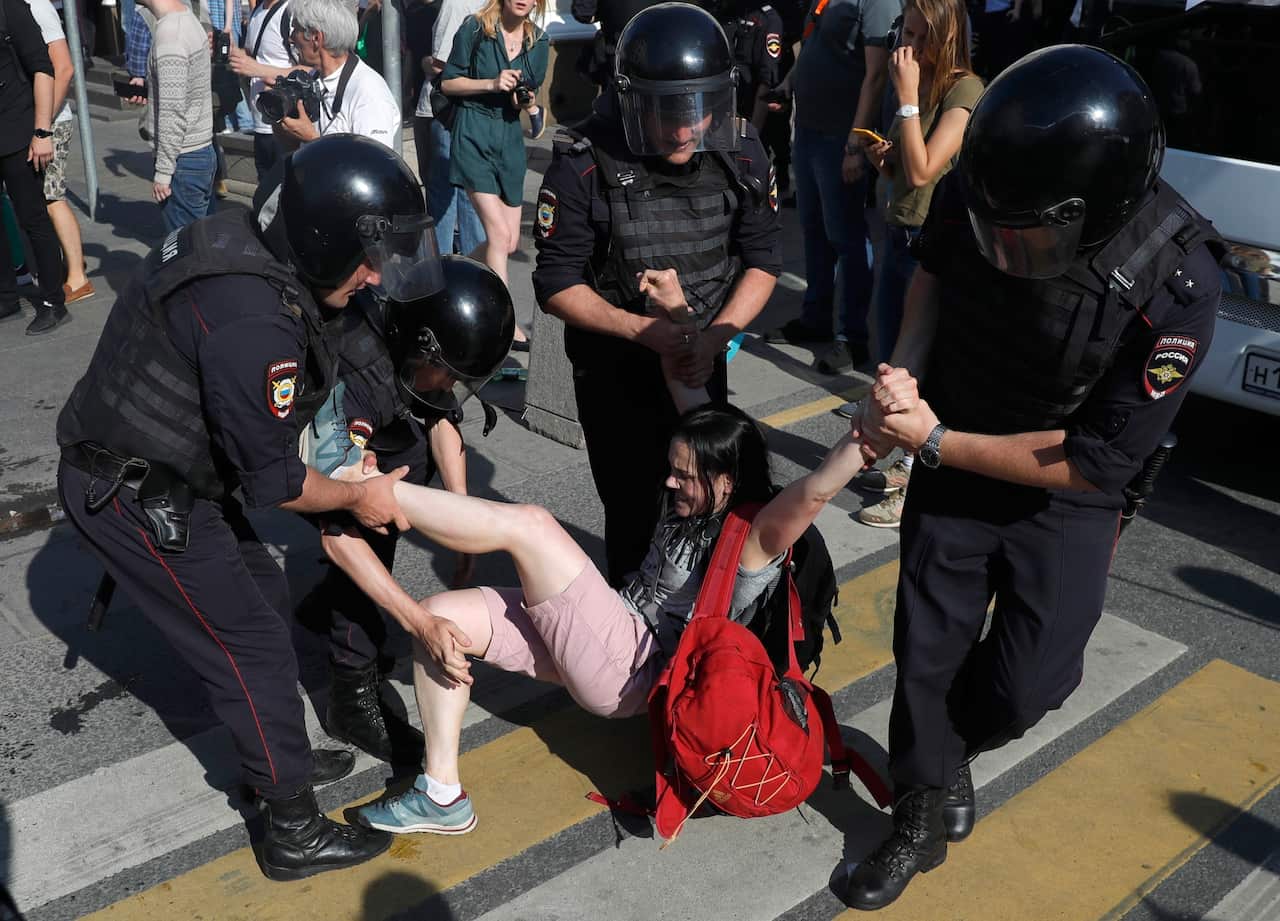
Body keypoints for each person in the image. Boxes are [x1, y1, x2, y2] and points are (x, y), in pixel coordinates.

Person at [842, 45, 1224, 910]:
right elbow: (932, 279)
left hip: (1064, 491)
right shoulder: (988, 178)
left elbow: (1094, 459)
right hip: (955, 454)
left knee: (1032, 682)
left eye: (1034, 233)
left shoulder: (1180, 277)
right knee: (927, 655)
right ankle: (918, 806)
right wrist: (901, 375)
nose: (1008, 248)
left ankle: (950, 757)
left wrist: (933, 438)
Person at [55, 135, 442, 881]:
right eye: (369, 257)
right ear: (326, 238)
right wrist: (361, 493)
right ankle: (291, 826)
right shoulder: (252, 321)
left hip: (161, 470)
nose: (373, 276)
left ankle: (276, 756)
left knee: (262, 593)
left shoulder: (258, 247)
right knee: (251, 646)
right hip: (134, 491)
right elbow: (276, 482)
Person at [319, 403, 868, 836]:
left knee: (532, 526)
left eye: (685, 476)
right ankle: (441, 795)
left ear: (728, 480)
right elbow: (697, 393)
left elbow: (815, 493)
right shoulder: (699, 492)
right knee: (440, 619)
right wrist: (677, 316)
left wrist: (865, 437)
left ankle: (367, 491)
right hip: (611, 629)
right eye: (671, 471)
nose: (670, 484)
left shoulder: (754, 543)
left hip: (637, 669)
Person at [531, 2, 782, 586]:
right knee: (636, 514)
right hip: (616, 371)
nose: (688, 128)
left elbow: (764, 261)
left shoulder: (742, 152)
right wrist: (642, 330)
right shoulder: (584, 161)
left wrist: (714, 337)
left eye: (700, 109)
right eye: (670, 112)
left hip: (701, 360)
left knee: (712, 508)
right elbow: (556, 282)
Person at [300, 254, 515, 764]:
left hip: (374, 432)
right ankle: (350, 698)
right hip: (302, 461)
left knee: (403, 473)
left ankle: (332, 612)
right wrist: (419, 621)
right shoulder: (358, 373)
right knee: (365, 531)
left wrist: (460, 516)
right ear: (424, 348)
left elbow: (439, 417)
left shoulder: (419, 338)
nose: (448, 387)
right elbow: (340, 530)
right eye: (447, 375)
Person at [854, 0, 982, 529]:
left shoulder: (964, 89)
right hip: (899, 228)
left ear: (942, 34)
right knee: (890, 355)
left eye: (914, 33)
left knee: (917, 366)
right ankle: (905, 463)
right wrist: (884, 157)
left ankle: (914, 474)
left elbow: (927, 169)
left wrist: (906, 100)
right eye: (901, 30)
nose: (903, 44)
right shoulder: (920, 79)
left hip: (931, 243)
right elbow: (908, 166)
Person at [762, 0, 901, 375]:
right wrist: (789, 84)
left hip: (840, 136)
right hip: (808, 129)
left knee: (847, 237)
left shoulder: (876, 2)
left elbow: (876, 76)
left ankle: (851, 338)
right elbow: (813, 45)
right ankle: (816, 319)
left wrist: (856, 144)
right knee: (814, 230)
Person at [439, 0, 548, 287]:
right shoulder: (475, 28)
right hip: (473, 130)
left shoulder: (538, 41)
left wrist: (526, 101)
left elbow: (527, 94)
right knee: (498, 235)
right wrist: (491, 83)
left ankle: (453, 275)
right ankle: (504, 323)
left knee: (509, 242)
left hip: (510, 138)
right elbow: (448, 83)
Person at [0, 0, 68, 334]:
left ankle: (54, 301)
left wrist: (42, 131)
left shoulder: (11, 8)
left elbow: (44, 68)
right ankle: (6, 298)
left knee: (32, 217)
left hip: (18, 130)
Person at [25, 0, 94, 305]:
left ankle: (78, 277)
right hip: (38, 121)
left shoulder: (38, 6)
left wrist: (42, 125)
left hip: (51, 121)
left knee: (52, 196)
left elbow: (64, 68)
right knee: (43, 198)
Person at [273, 0, 401, 150]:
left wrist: (312, 139)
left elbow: (372, 166)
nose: (290, 38)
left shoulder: (368, 92)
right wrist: (279, 117)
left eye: (295, 30)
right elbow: (293, 148)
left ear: (316, 38)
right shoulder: (314, 79)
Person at [136, 0, 217, 231]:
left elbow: (173, 113)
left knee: (188, 252)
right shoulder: (186, 17)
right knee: (203, 243)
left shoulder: (171, 35)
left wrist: (163, 172)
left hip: (184, 159)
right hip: (195, 153)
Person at [423, 0, 485, 258]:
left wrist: (423, 62)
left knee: (446, 190)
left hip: (452, 112)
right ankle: (475, 266)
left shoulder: (457, 4)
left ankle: (445, 265)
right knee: (471, 193)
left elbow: (440, 66)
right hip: (478, 112)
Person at [229, 0, 294, 180]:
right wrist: (233, 51)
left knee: (285, 190)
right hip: (260, 121)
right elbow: (253, 54)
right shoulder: (257, 11)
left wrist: (259, 70)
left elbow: (309, 70)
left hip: (285, 125)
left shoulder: (291, 12)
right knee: (264, 189)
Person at [716, 0, 786, 132]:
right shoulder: (727, 13)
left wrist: (752, 133)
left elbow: (766, 81)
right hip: (719, 111)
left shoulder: (768, 20)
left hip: (745, 114)